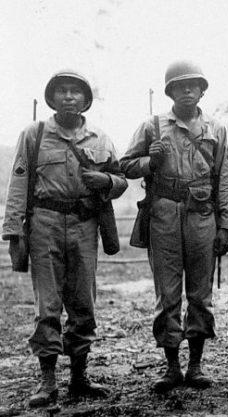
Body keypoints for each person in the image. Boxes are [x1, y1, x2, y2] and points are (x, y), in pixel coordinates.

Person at [2, 70, 127, 407]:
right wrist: (13, 231)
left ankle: (79, 376)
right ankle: (47, 381)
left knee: (83, 302)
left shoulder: (100, 138)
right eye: (62, 91)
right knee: (48, 304)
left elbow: (120, 179)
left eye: (75, 92)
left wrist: (106, 181)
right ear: (52, 98)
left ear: (86, 99)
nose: (69, 96)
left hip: (85, 225)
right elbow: (18, 183)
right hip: (45, 224)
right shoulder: (35, 134)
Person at [120, 60, 228, 392]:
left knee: (200, 294)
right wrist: (149, 161)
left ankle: (196, 365)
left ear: (202, 90)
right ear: (170, 91)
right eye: (180, 86)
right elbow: (126, 166)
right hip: (163, 215)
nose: (187, 91)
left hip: (202, 216)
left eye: (193, 85)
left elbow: (224, 181)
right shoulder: (152, 126)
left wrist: (225, 225)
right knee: (167, 294)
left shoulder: (216, 129)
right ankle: (172, 367)